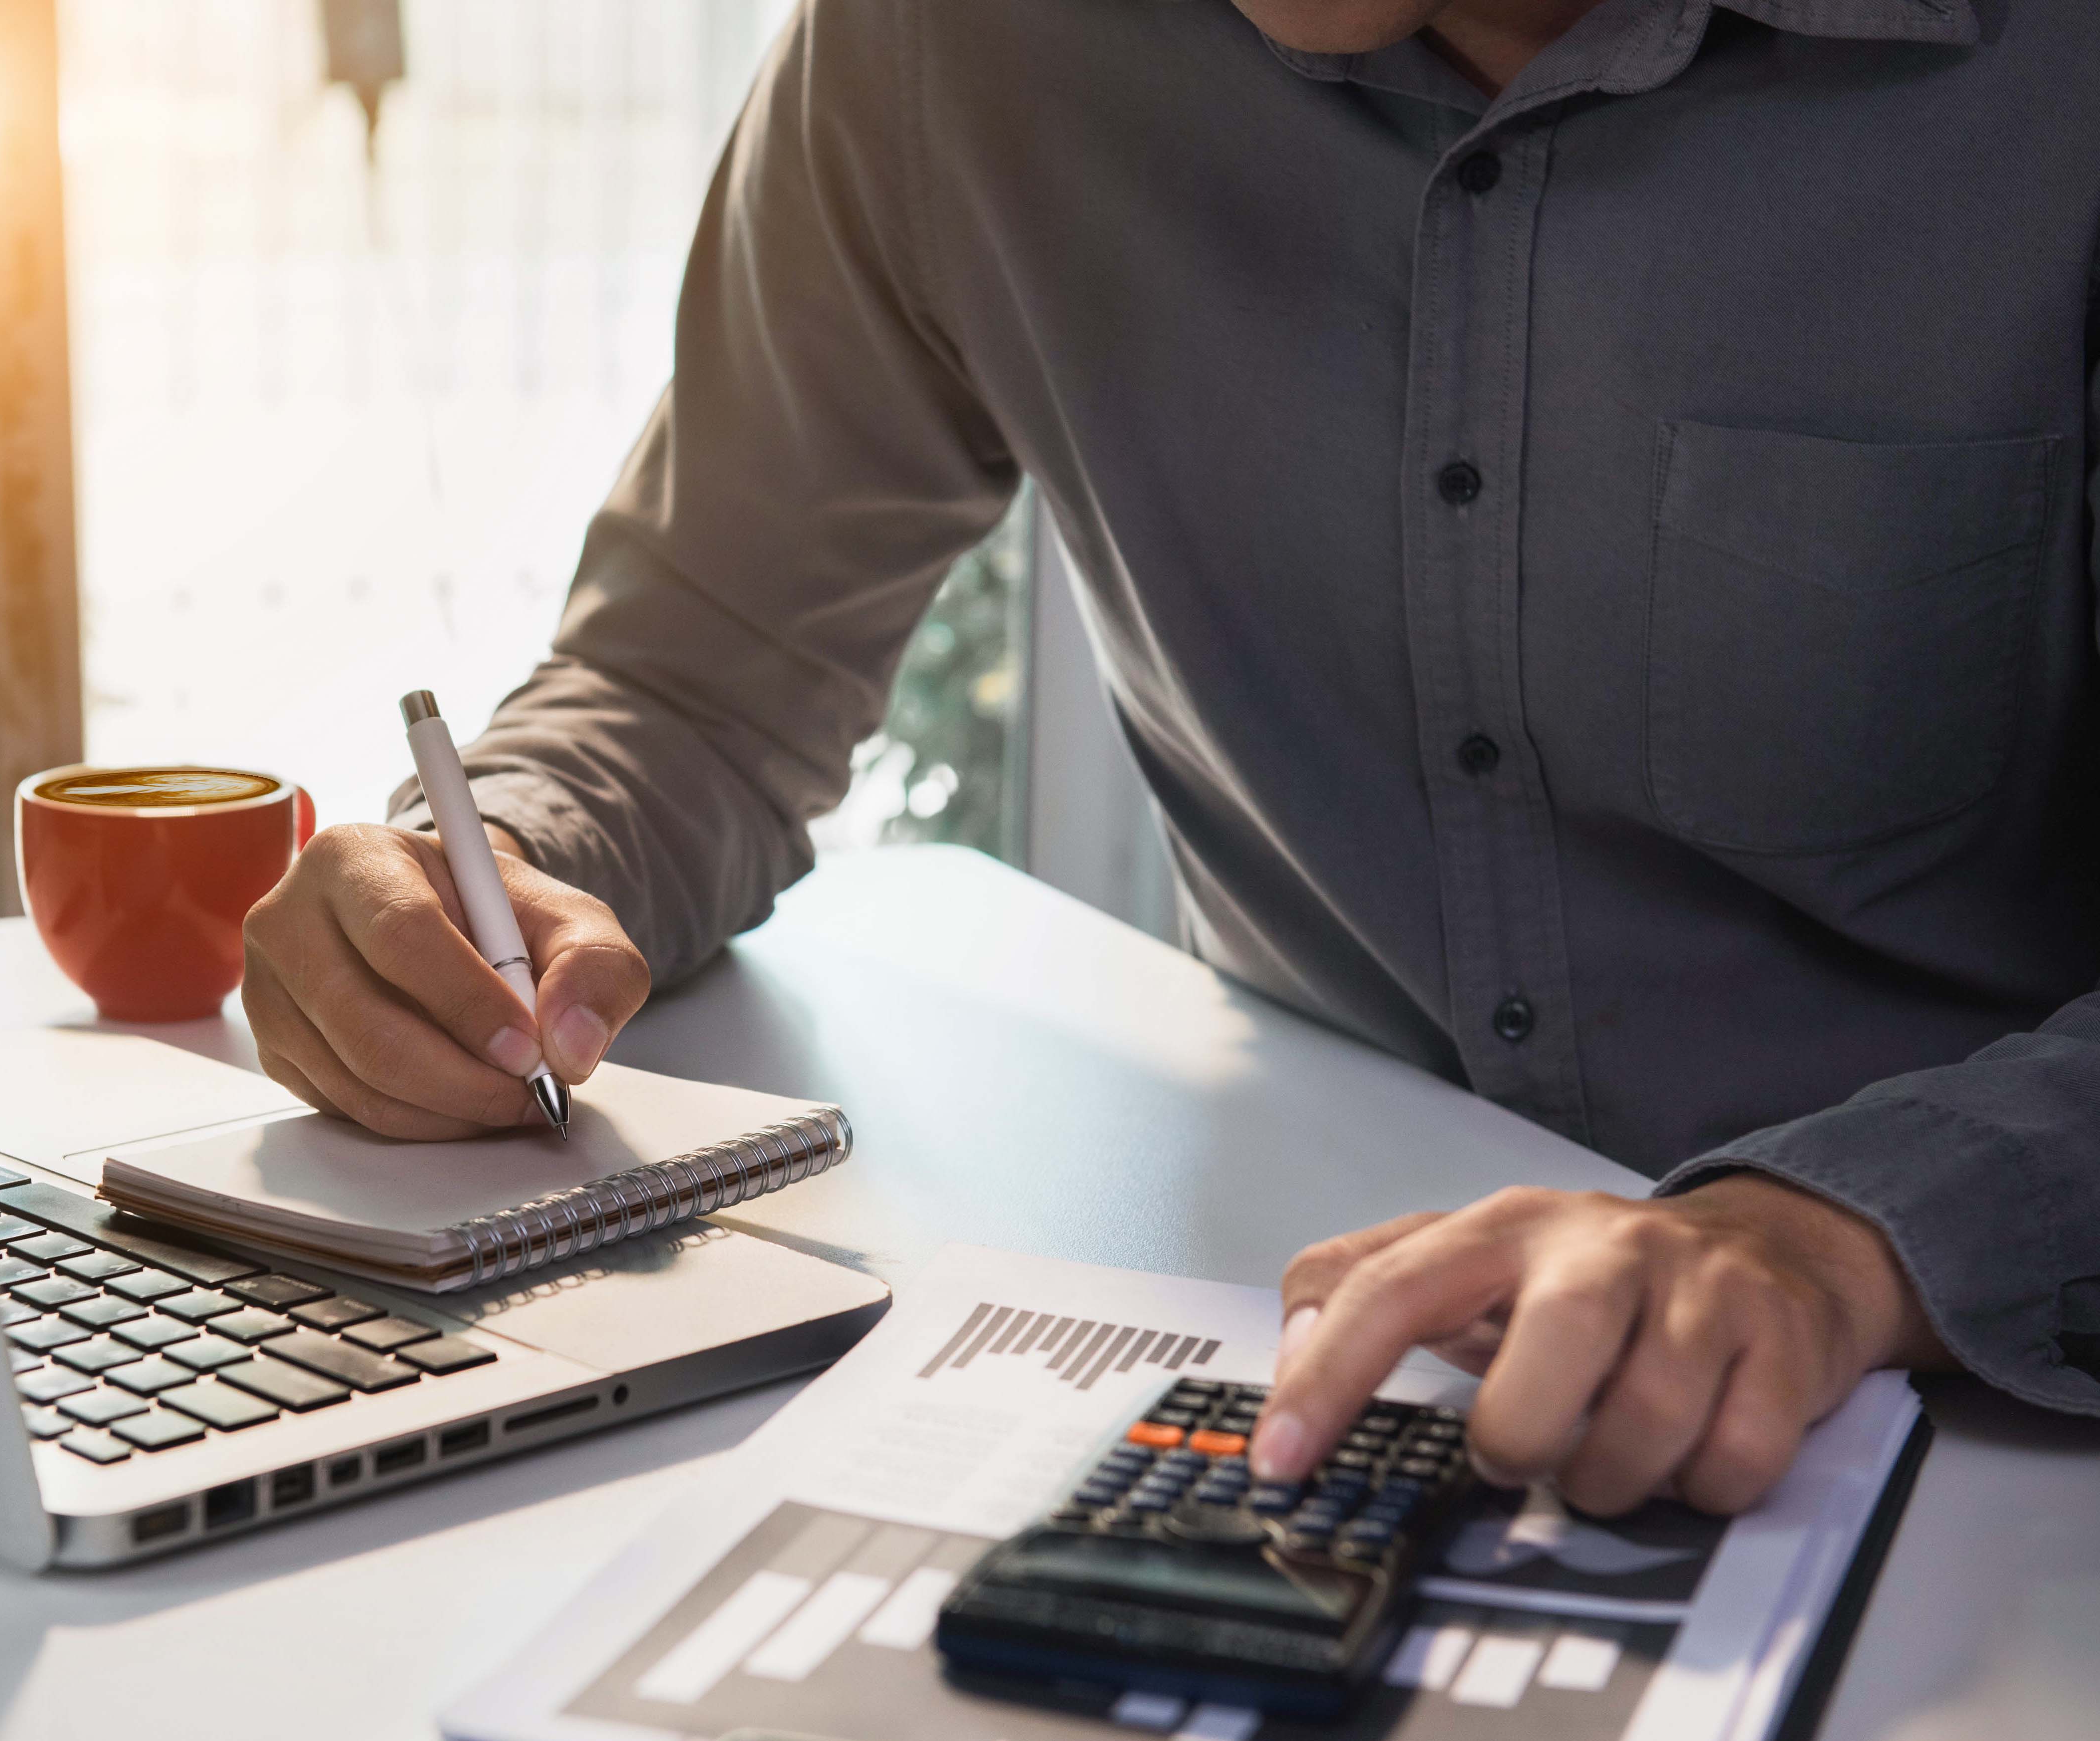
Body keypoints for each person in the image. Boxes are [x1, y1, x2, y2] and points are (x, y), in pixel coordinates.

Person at [243, 0, 2100, 1517]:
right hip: (1273, 1365)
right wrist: (497, 873)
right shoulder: (945, 49)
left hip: (1988, 1442)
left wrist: (1829, 1242)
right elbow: (695, 673)